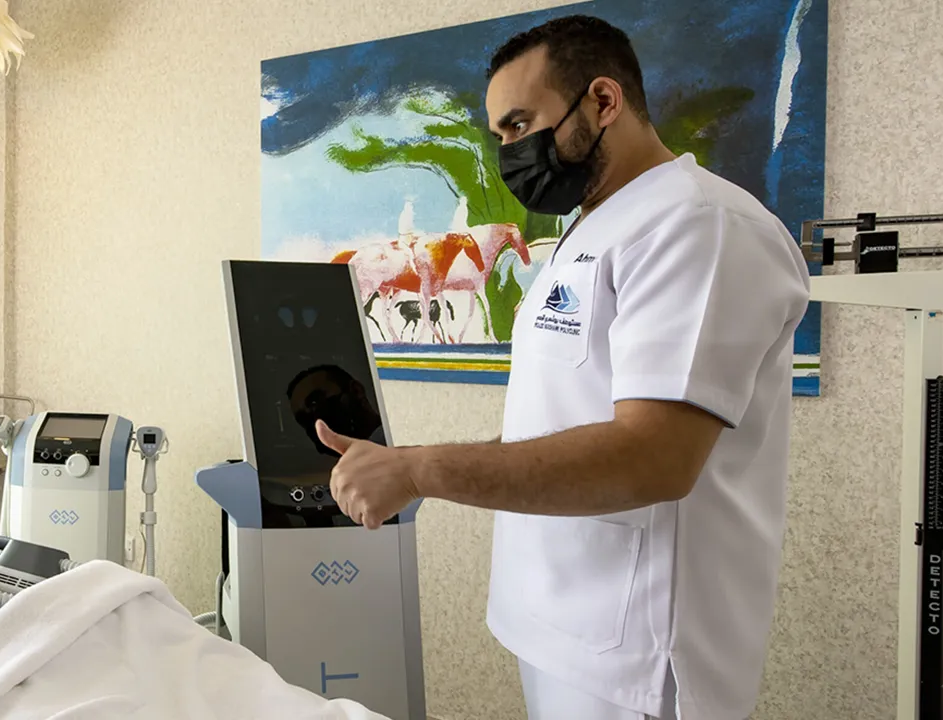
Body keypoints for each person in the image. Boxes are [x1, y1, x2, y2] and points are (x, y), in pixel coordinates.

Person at [316, 16, 810, 720]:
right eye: (500, 136)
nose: (511, 153)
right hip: (557, 625)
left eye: (521, 125)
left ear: (603, 101)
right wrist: (407, 465)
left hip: (638, 655)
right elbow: (560, 414)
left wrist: (419, 470)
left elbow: (654, 457)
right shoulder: (590, 229)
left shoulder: (699, 225)